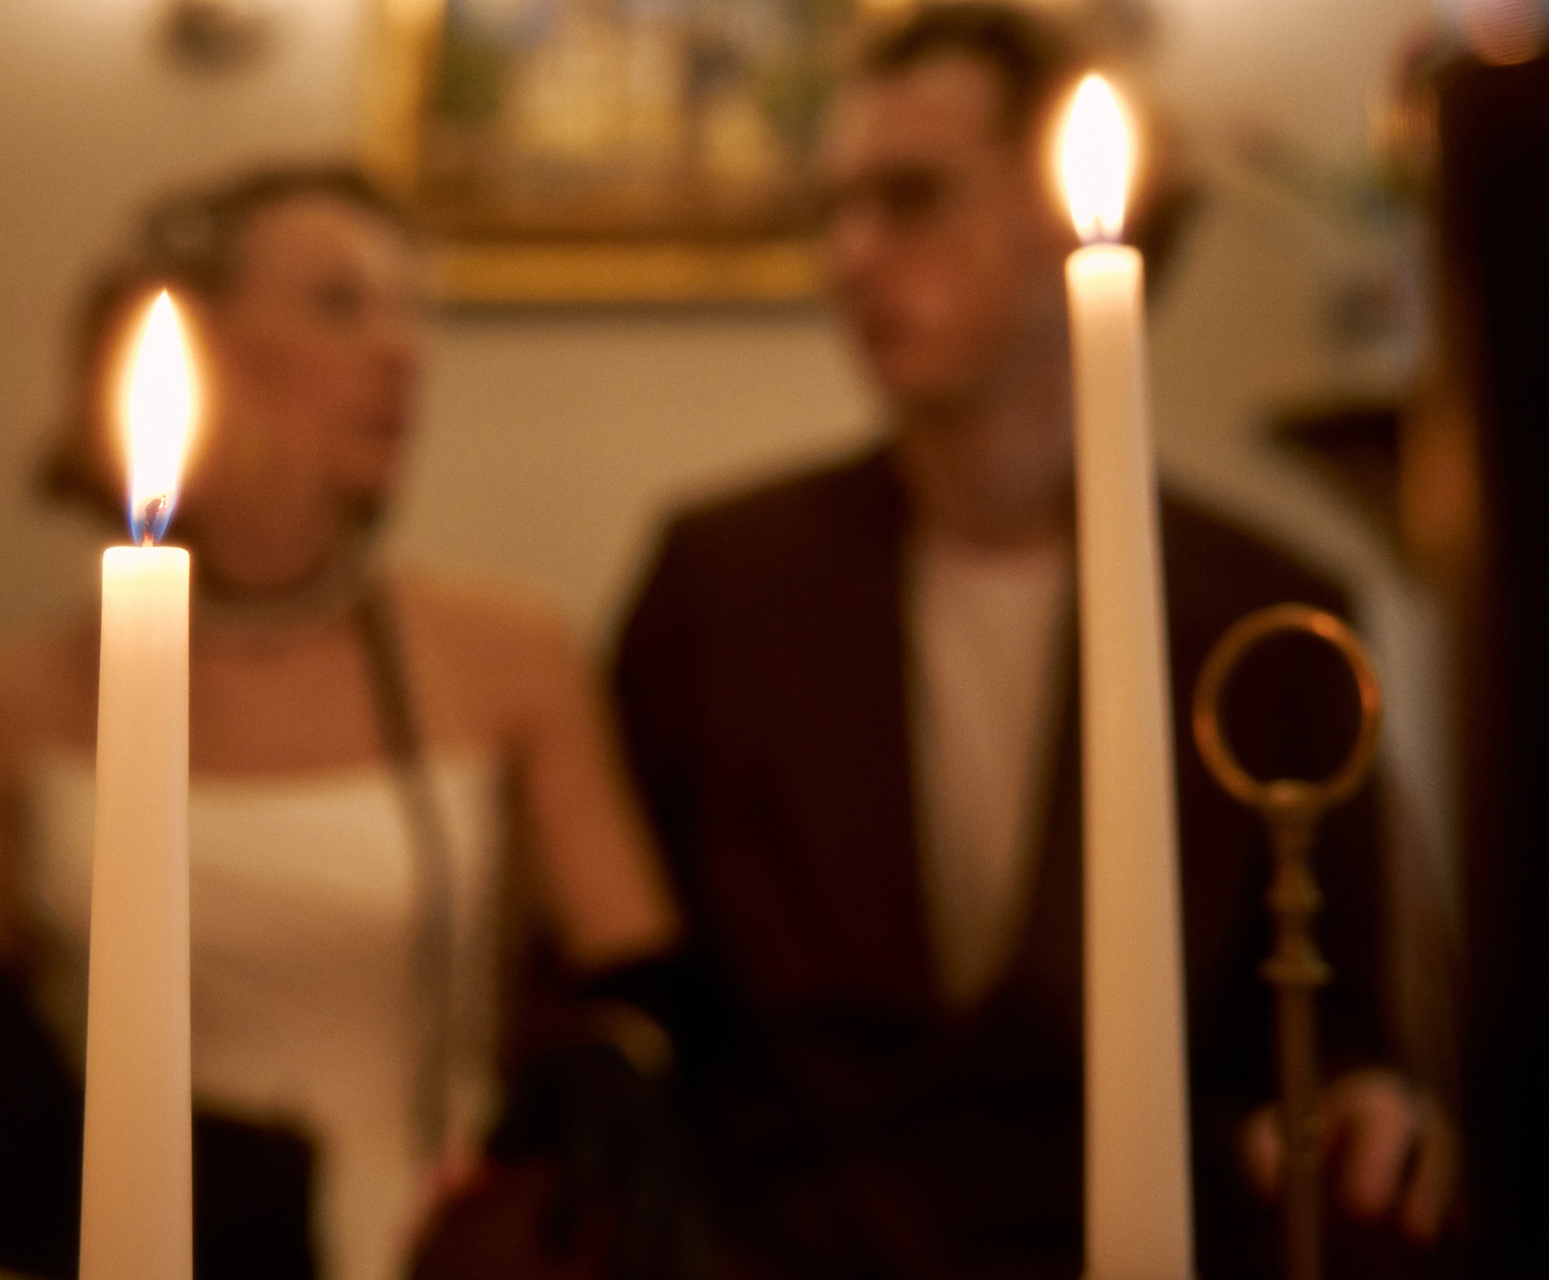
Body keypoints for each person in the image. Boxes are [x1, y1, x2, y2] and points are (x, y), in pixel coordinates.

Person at [610, 6, 1457, 1278]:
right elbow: (630, 989)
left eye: (909, 198)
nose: (849, 256)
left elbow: (1338, 1023)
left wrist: (1354, 1104)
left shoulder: (1267, 607)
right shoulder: (721, 582)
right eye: (832, 210)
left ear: (1068, 210)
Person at [0, 166, 679, 1280]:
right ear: (195, 346)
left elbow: (637, 975)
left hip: (414, 1237)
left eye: (411, 310)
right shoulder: (13, 699)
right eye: (340, 304)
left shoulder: (509, 655)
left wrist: (607, 1061)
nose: (402, 350)